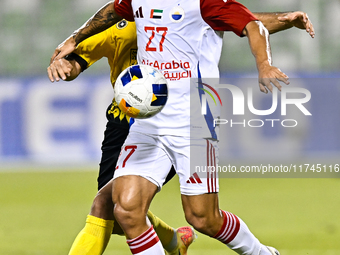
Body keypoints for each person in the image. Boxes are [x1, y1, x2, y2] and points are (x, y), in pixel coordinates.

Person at [49, 1, 315, 254]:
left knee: (203, 218)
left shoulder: (204, 2)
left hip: (196, 117)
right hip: (150, 118)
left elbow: (252, 25)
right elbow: (114, 9)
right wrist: (74, 38)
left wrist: (264, 64)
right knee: (126, 209)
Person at [48, 20, 195, 255]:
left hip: (169, 127)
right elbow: (77, 61)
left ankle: (174, 242)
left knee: (107, 205)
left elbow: (238, 20)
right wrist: (65, 67)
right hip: (122, 125)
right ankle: (173, 241)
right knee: (116, 212)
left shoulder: (183, 18)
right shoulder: (117, 25)